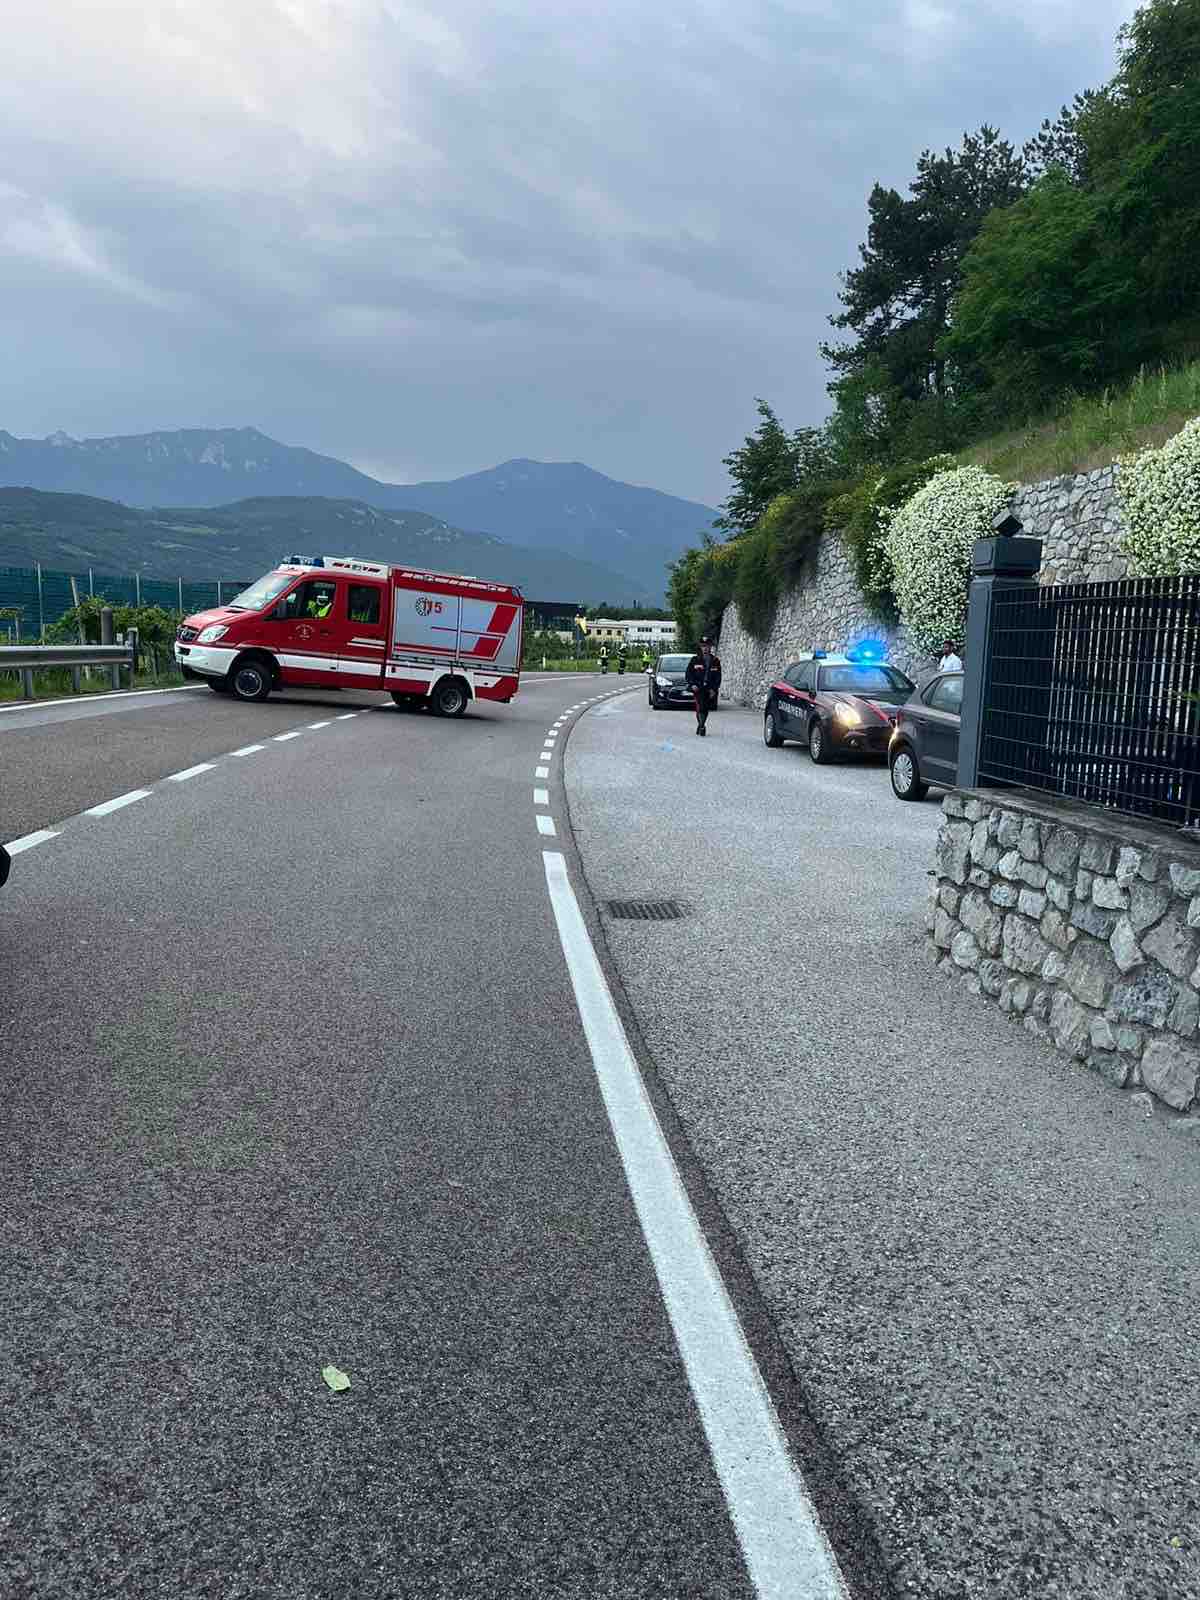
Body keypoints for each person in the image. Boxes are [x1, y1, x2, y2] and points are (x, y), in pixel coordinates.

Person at [685, 635, 722, 736]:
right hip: (698, 688)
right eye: (703, 646)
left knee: (705, 708)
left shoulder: (715, 661)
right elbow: (688, 674)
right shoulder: (695, 660)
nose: (705, 648)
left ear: (710, 647)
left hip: (709, 689)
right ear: (700, 647)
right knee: (700, 706)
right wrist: (692, 684)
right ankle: (702, 727)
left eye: (707, 646)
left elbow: (718, 677)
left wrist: (714, 689)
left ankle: (701, 724)